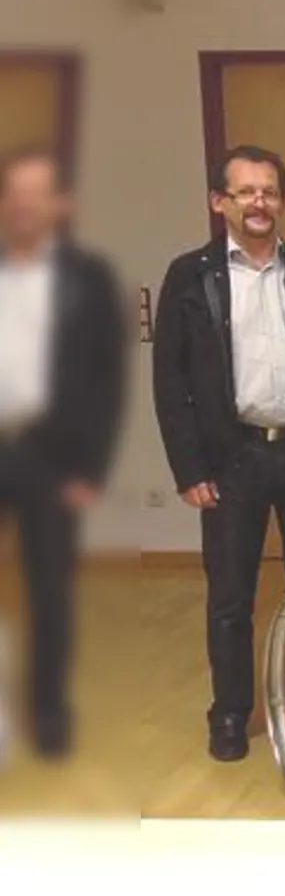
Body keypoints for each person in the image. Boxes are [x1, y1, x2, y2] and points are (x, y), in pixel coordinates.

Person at [151, 144, 285, 762]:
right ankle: (231, 713)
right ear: (220, 202)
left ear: (281, 201)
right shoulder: (191, 276)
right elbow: (170, 382)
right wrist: (189, 469)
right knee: (231, 594)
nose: (259, 202)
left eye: (269, 191)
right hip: (231, 457)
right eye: (245, 192)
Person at [0, 144, 128, 759]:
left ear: (61, 204)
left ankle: (47, 716)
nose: (26, 206)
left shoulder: (88, 278)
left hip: (51, 456)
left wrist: (90, 469)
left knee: (50, 590)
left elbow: (108, 379)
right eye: (16, 194)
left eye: (38, 194)